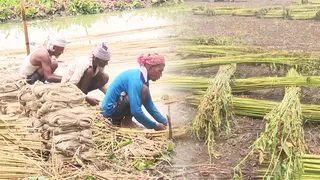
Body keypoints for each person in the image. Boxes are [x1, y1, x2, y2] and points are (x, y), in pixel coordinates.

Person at [101, 53, 167, 131]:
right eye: (160, 71)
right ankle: (126, 122)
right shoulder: (137, 80)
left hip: (118, 105)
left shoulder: (142, 79)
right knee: (143, 91)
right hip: (110, 111)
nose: (161, 75)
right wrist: (154, 125)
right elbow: (136, 111)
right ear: (150, 67)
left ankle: (125, 120)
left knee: (143, 90)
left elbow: (149, 105)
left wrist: (165, 122)